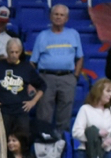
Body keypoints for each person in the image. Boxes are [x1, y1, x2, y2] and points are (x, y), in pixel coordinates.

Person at [31, 5, 85, 134]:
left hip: (67, 78)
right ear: (50, 16)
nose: (58, 17)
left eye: (61, 15)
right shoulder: (42, 36)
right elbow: (33, 62)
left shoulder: (73, 34)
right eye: (56, 14)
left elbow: (80, 57)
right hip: (46, 78)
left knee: (65, 114)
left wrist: (75, 77)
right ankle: (43, 142)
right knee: (44, 113)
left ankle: (61, 144)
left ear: (66, 18)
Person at [0, 39, 45, 139]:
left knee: (23, 143)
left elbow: (42, 86)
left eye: (17, 52)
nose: (14, 55)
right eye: (11, 52)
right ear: (7, 51)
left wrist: (33, 102)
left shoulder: (26, 68)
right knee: (1, 142)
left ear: (21, 51)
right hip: (2, 112)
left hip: (21, 112)